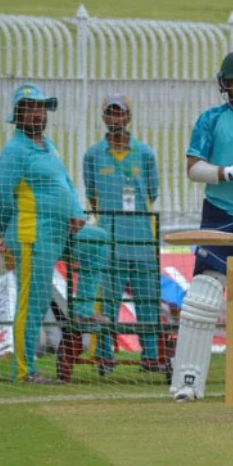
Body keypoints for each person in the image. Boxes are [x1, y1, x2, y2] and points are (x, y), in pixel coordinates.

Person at [170, 50, 233, 401]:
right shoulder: (211, 119)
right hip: (219, 213)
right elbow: (192, 167)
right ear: (224, 84)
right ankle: (187, 381)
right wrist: (227, 172)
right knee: (202, 298)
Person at [0, 83, 109, 384]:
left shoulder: (47, 144)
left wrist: (77, 215)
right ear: (18, 115)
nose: (37, 113)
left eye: (41, 107)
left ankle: (82, 310)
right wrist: (9, 232)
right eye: (30, 108)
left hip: (60, 232)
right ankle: (25, 371)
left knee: (97, 241)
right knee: (34, 302)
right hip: (32, 236)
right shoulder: (15, 150)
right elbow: (0, 200)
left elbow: (66, 183)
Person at [83, 94, 165, 375]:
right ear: (104, 117)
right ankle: (104, 359)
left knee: (148, 300)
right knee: (107, 302)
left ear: (128, 117)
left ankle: (151, 358)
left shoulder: (145, 154)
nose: (115, 118)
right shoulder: (93, 155)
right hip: (108, 241)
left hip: (142, 238)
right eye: (110, 113)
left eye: (120, 113)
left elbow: (151, 193)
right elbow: (92, 195)